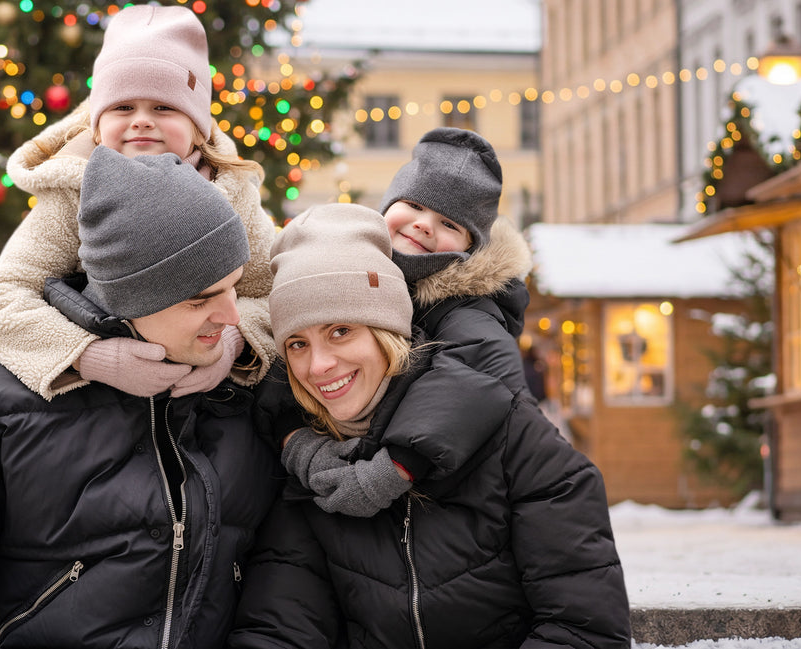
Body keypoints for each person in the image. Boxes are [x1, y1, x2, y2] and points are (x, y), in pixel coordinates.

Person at [0, 148, 291, 649]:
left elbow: (283, 580)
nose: (233, 317)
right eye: (200, 300)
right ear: (131, 298)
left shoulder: (250, 390)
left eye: (233, 288)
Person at [229, 204, 630, 649]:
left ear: (388, 332)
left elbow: (583, 630)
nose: (318, 365)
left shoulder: (512, 437)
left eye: (341, 331)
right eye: (297, 343)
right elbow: (282, 626)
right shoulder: (311, 466)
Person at [0, 3, 279, 401]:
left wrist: (234, 344)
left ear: (198, 128)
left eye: (164, 107)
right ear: (98, 127)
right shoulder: (72, 193)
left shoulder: (230, 192)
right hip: (97, 407)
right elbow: (1, 298)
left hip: (202, 409)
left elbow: (272, 290)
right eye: (123, 107)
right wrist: (90, 356)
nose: (142, 120)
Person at [272, 127, 539, 518]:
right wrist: (295, 438)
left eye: (449, 224)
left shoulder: (468, 307)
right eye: (414, 205)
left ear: (469, 247)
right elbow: (287, 362)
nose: (424, 225)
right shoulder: (345, 270)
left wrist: (399, 463)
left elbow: (471, 378)